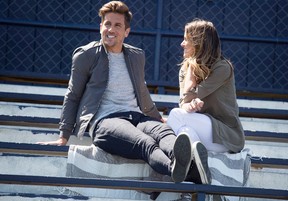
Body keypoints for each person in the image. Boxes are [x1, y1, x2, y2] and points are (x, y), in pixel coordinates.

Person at [38, 1, 211, 185]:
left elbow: (142, 92)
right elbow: (73, 95)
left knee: (165, 133)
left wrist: (157, 118)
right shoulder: (86, 55)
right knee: (145, 143)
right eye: (107, 24)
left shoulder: (136, 56)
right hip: (106, 121)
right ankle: (184, 172)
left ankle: (188, 166)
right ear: (100, 27)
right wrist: (63, 136)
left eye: (117, 25)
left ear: (126, 32)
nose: (110, 29)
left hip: (137, 116)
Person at [167, 19, 245, 163]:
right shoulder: (184, 69)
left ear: (198, 43)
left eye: (186, 40)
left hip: (225, 136)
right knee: (185, 132)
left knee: (175, 116)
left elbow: (190, 96)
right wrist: (189, 106)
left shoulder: (222, 68)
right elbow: (184, 103)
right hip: (201, 131)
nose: (181, 44)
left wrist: (191, 69)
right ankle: (197, 164)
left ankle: (192, 162)